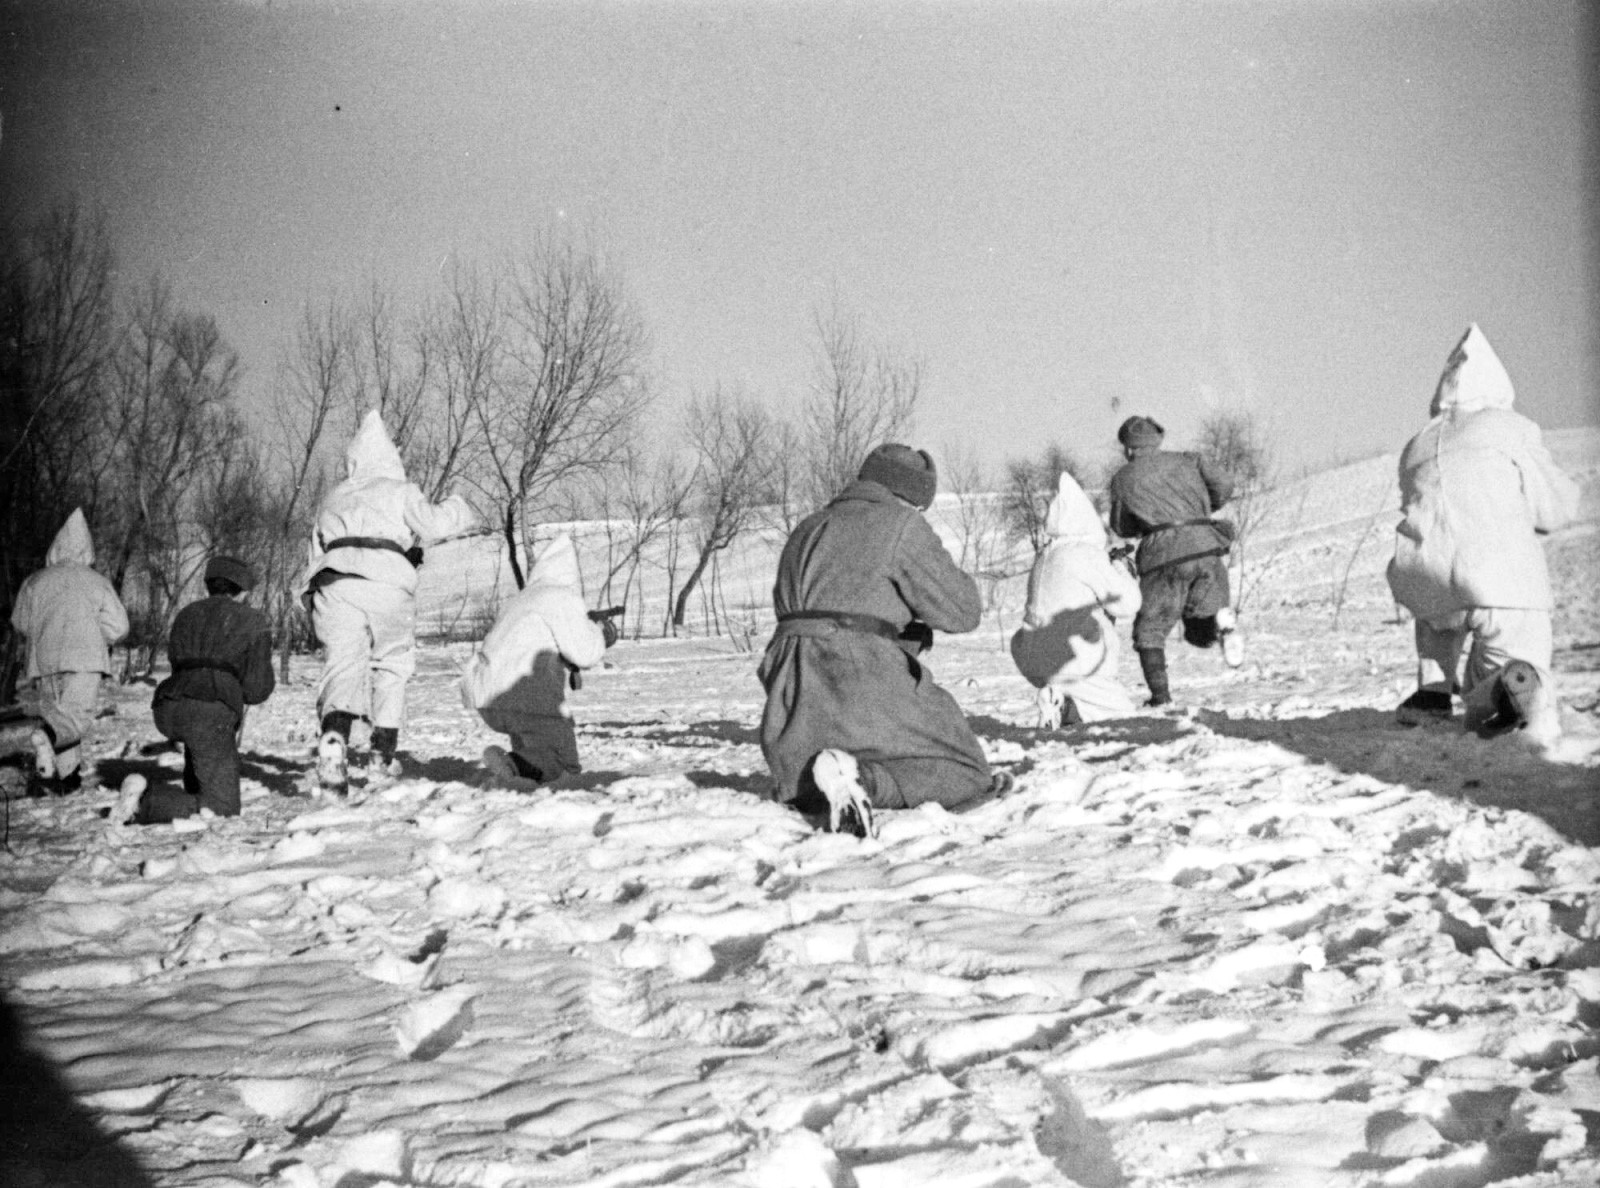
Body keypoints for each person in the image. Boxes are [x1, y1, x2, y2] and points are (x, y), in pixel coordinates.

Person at [757, 443, 1009, 838]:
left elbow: (824, 606)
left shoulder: (808, 526)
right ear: (909, 496)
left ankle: (830, 778)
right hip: (856, 669)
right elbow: (961, 612)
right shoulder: (899, 525)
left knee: (804, 777)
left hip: (790, 687)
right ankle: (862, 782)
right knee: (967, 773)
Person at [1386, 323, 1579, 743]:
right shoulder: (1509, 427)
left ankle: (1432, 692)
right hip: (1500, 582)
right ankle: (1496, 697)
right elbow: (1555, 508)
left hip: (1426, 578)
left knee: (1439, 611)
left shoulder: (1417, 443)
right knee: (1514, 667)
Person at [302, 410, 479, 793]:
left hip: (335, 584)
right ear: (390, 457)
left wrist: (308, 596)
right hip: (386, 583)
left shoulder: (333, 497)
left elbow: (313, 551)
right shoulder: (399, 490)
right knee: (392, 664)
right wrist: (458, 507)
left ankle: (334, 737)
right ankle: (381, 755)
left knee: (342, 667)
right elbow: (433, 525)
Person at [1106, 415, 1243, 707]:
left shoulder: (1123, 478)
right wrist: (1202, 509)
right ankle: (1222, 621)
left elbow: (1122, 526)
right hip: (1206, 546)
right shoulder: (1189, 460)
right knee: (1200, 620)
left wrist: (1145, 522)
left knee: (1149, 631)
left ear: (1129, 449)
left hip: (1163, 556)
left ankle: (1161, 697)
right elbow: (1225, 483)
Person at [460, 535, 615, 789]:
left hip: (488, 694)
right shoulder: (561, 596)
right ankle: (510, 764)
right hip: (526, 697)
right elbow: (584, 653)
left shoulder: (522, 598)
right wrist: (601, 633)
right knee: (565, 767)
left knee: (536, 752)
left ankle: (517, 772)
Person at [130, 556, 275, 823]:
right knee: (223, 810)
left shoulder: (187, 614)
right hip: (208, 712)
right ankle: (144, 802)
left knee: (200, 745)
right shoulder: (252, 619)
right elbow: (257, 688)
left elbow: (179, 665)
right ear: (242, 591)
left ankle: (193, 793)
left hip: (168, 705)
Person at [8, 508, 129, 793]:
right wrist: (100, 636)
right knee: (74, 719)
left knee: (58, 714)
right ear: (87, 549)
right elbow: (119, 627)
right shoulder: (97, 582)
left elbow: (20, 622)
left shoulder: (35, 581)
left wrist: (43, 634)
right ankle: (49, 740)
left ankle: (66, 779)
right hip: (85, 659)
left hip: (45, 660)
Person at [1011, 470, 1143, 726]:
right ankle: (1062, 697)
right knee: (1121, 719)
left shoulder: (1044, 556)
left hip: (1031, 655)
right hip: (1071, 656)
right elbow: (1128, 604)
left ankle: (1060, 700)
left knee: (1088, 705)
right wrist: (1119, 568)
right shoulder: (1084, 553)